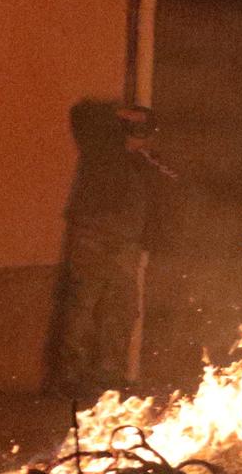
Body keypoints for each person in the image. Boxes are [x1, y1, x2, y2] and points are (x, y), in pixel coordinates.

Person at [48, 101, 168, 398]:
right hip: (93, 238)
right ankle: (69, 379)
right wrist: (118, 112)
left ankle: (108, 374)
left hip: (125, 245)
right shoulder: (101, 149)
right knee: (83, 307)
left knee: (122, 309)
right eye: (140, 131)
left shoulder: (142, 163)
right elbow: (81, 113)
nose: (144, 139)